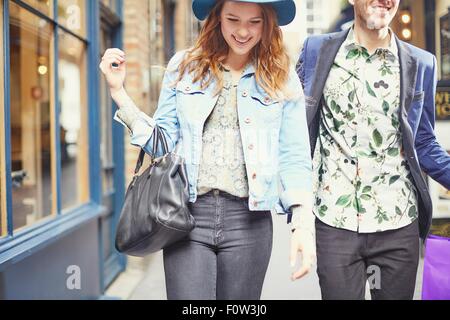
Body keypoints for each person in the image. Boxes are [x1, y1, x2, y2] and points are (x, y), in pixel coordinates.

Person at [100, 0, 315, 300]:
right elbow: (163, 144)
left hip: (249, 223)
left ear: (267, 24)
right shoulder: (184, 66)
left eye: (254, 22)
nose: (243, 31)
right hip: (187, 216)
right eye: (233, 19)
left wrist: (302, 225)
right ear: (217, 18)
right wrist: (118, 92)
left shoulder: (280, 76)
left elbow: (294, 155)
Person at [296, 0, 450, 300]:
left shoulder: (422, 63)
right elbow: (294, 129)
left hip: (398, 223)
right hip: (334, 221)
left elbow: (424, 143)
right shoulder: (316, 50)